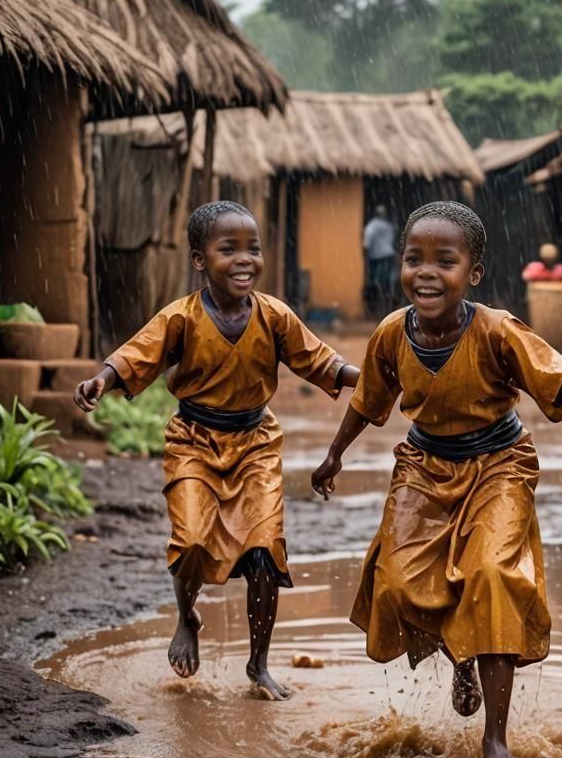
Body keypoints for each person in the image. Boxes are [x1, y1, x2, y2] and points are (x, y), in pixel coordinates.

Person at [311, 201, 562, 758]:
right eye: (413, 258)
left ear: (473, 273)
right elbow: (368, 400)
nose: (425, 272)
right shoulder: (393, 334)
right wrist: (335, 453)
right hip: (424, 465)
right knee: (397, 582)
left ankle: (495, 739)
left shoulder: (495, 328)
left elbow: (556, 376)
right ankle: (459, 657)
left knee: (493, 577)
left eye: (445, 260)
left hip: (498, 465)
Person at [73, 201, 359, 701]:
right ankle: (187, 616)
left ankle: (258, 664)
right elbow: (138, 352)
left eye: (253, 248)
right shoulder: (180, 317)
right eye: (229, 249)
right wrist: (102, 379)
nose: (245, 259)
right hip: (193, 441)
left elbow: (321, 361)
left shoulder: (274, 316)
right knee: (189, 540)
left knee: (267, 552)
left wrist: (375, 377)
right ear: (200, 260)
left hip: (256, 445)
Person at [363, 204, 398, 314]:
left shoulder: (371, 226)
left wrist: (365, 255)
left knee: (374, 281)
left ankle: (374, 307)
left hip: (375, 257)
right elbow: (393, 241)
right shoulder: (389, 226)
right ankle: (389, 305)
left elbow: (366, 243)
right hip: (388, 256)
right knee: (388, 281)